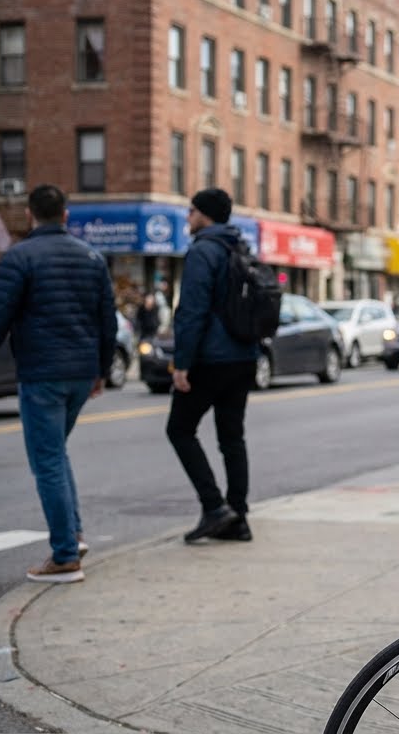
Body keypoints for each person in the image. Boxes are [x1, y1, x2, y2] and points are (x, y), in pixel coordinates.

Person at [0, 184, 116, 584]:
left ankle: (64, 557)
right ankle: (73, 537)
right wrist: (101, 371)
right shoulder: (92, 258)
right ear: (65, 216)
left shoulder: (19, 257)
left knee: (46, 461)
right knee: (55, 455)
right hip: (81, 374)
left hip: (42, 374)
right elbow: (107, 321)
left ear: (30, 214)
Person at [166, 188, 260, 543]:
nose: (188, 218)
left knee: (179, 428)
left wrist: (182, 364)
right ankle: (238, 518)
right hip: (244, 356)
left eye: (190, 212)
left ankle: (214, 506)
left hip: (211, 359)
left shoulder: (203, 250)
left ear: (204, 215)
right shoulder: (239, 246)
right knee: (232, 437)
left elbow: (192, 311)